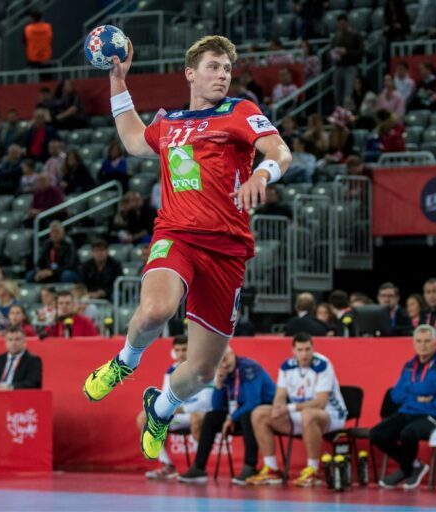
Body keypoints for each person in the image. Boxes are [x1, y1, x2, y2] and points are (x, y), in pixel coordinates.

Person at [82, 35, 292, 465]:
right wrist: (118, 80)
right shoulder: (171, 122)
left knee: (200, 372)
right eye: (213, 67)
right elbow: (134, 141)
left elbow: (279, 151)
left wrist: (262, 175)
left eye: (227, 69)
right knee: (156, 311)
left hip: (227, 250)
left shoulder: (239, 111)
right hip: (176, 234)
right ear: (190, 73)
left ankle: (160, 408)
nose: (222, 75)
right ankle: (125, 362)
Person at [246, 333, 347, 487]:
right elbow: (280, 395)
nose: (304, 354)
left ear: (313, 348)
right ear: (293, 350)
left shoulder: (323, 365)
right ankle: (271, 469)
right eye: (300, 350)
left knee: (308, 415)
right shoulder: (287, 367)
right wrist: (277, 408)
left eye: (307, 349)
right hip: (300, 415)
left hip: (331, 416)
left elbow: (320, 403)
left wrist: (288, 408)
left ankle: (313, 470)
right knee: (259, 413)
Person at [179, 347, 276, 484]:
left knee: (247, 415)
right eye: (220, 362)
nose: (223, 365)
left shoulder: (249, 368)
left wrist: (231, 418)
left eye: (225, 359)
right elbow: (217, 407)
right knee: (211, 417)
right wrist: (218, 386)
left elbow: (253, 402)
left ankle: (250, 467)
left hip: (264, 411)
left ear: (232, 354)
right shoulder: (223, 372)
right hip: (239, 411)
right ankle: (199, 468)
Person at [373, 325, 436, 490]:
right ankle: (413, 465)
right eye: (419, 341)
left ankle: (405, 469)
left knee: (408, 433)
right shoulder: (409, 365)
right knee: (377, 433)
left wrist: (410, 389)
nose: (423, 345)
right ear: (413, 343)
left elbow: (427, 387)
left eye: (427, 341)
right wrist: (416, 395)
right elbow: (396, 395)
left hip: (432, 413)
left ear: (435, 343)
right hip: (408, 411)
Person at [142, 336, 214, 480]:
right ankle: (167, 465)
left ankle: (198, 467)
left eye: (184, 349)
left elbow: (206, 402)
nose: (180, 354)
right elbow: (165, 396)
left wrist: (182, 410)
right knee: (145, 418)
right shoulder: (171, 371)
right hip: (179, 416)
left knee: (196, 418)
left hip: (199, 414)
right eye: (177, 350)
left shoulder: (204, 368)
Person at [330, 14, 364, 110]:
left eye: (343, 24)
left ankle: (348, 114)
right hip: (338, 67)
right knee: (337, 95)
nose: (341, 26)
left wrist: (347, 52)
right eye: (339, 24)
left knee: (348, 95)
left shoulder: (355, 35)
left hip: (350, 67)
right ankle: (338, 114)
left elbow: (361, 52)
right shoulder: (336, 37)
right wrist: (333, 55)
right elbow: (332, 49)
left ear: (347, 23)